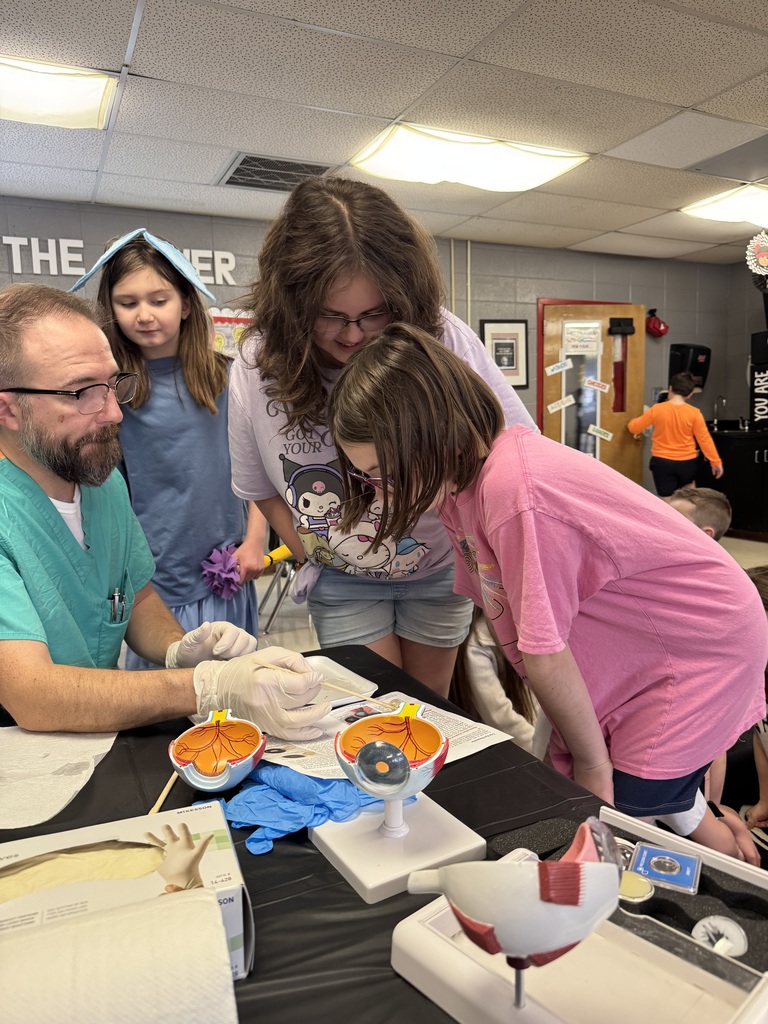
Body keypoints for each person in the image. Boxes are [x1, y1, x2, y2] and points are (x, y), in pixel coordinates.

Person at [327, 323, 767, 860]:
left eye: (381, 473)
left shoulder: (516, 490)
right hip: (642, 640)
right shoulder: (458, 488)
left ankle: (724, 859)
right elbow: (513, 621)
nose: (381, 492)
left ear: (427, 434)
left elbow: (544, 648)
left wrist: (592, 764)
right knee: (601, 786)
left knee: (615, 812)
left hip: (699, 644)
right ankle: (708, 827)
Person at [228, 176, 536, 697]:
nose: (352, 335)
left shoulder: (443, 337)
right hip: (343, 578)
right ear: (294, 304)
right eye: (331, 317)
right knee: (371, 711)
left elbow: (514, 451)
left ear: (404, 298)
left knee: (425, 708)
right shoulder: (260, 362)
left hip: (441, 567)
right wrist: (312, 550)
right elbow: (257, 485)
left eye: (374, 315)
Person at [0, 283, 328, 740]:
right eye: (82, 393)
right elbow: (33, 694)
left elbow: (133, 597)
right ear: (8, 409)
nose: (114, 412)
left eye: (114, 385)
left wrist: (178, 650)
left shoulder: (99, 480)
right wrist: (208, 685)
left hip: (91, 739)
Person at [69, 229, 266, 669]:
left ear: (187, 303)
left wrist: (256, 539)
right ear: (110, 309)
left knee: (229, 701)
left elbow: (262, 469)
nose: (144, 315)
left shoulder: (230, 380)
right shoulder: (108, 392)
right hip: (148, 585)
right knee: (161, 708)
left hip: (223, 571)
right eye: (128, 302)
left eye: (159, 300)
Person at [450, 606, 540, 753]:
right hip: (496, 747)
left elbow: (535, 701)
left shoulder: (526, 628)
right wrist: (543, 753)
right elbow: (500, 718)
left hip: (528, 741)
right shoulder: (477, 645)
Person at [627, 371, 722, 498]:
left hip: (662, 462)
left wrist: (630, 421)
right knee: (689, 498)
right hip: (687, 463)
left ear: (670, 388)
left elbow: (634, 428)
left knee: (667, 501)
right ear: (689, 395)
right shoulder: (695, 413)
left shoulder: (657, 409)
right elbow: (704, 439)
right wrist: (715, 461)